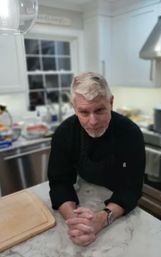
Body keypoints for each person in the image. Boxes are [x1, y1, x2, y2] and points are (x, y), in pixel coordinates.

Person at [48, 72, 145, 246]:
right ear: (74, 107)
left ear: (111, 102)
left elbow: (132, 188)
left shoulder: (130, 133)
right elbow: (59, 182)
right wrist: (76, 222)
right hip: (86, 191)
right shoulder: (64, 133)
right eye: (83, 112)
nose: (92, 121)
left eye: (99, 110)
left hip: (119, 200)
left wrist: (100, 220)